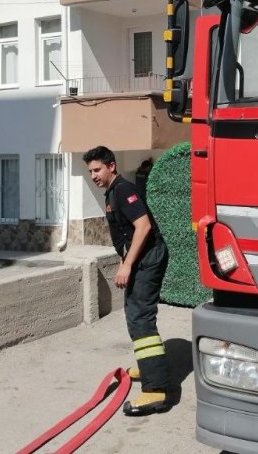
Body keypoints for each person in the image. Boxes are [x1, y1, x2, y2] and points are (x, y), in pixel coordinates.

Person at [83, 146, 170, 416]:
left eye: (97, 169)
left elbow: (143, 226)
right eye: (90, 172)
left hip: (148, 259)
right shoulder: (111, 192)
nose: (93, 176)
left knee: (140, 317)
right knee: (135, 315)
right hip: (139, 259)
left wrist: (128, 264)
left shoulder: (122, 189)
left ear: (112, 166)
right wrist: (124, 261)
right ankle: (148, 368)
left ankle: (156, 391)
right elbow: (127, 234)